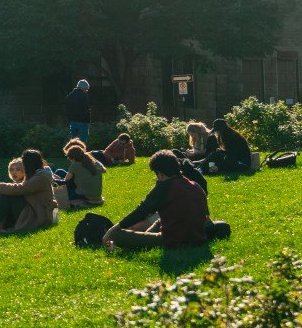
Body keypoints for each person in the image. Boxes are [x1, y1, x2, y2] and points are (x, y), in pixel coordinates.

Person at [102, 150, 231, 251]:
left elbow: (141, 212)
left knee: (117, 235)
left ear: (160, 173)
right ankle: (144, 239)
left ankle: (139, 242)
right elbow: (205, 217)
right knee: (159, 220)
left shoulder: (165, 187)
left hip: (172, 239)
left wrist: (111, 230)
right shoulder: (195, 185)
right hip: (198, 235)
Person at [0, 149, 58, 234]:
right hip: (34, 210)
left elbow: (21, 188)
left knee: (5, 195)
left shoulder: (41, 177)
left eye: (24, 162)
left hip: (39, 214)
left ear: (29, 163)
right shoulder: (36, 174)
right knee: (4, 196)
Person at [56, 139, 106, 208]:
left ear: (73, 158)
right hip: (96, 194)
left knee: (59, 192)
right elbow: (104, 170)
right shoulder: (92, 161)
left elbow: (66, 181)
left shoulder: (75, 165)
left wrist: (54, 179)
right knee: (60, 171)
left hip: (84, 195)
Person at [65, 79, 92, 146]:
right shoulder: (83, 96)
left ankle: (73, 155)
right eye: (86, 89)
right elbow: (86, 110)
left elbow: (67, 109)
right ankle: (81, 155)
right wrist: (88, 122)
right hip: (83, 122)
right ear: (83, 88)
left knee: (73, 142)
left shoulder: (70, 96)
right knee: (82, 142)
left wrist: (69, 119)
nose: (86, 91)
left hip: (73, 122)